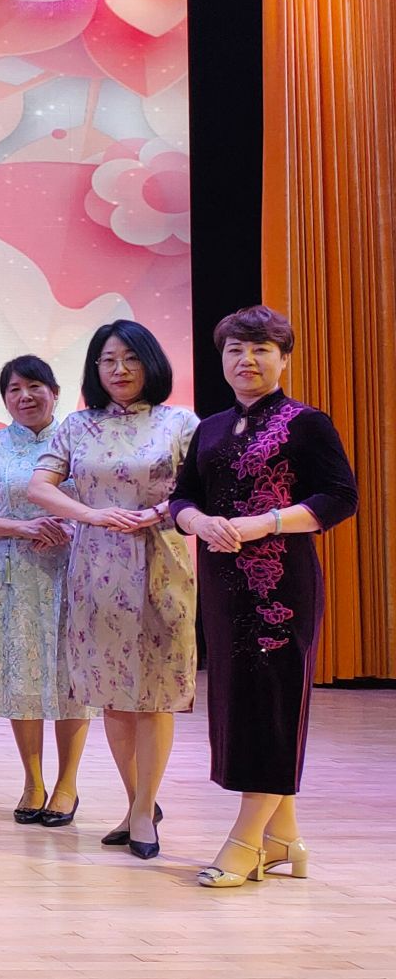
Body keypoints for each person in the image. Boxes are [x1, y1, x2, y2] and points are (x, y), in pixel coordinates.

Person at [168, 306, 357, 887]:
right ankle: (284, 838)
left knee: (273, 706)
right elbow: (182, 497)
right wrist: (198, 521)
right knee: (242, 705)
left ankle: (246, 840)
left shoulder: (308, 423)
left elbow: (339, 497)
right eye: (235, 350)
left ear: (284, 358)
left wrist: (263, 523)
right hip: (222, 587)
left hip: (281, 589)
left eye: (260, 349)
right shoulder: (211, 427)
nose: (246, 360)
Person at [27, 319, 199, 859]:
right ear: (95, 369)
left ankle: (144, 810)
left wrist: (155, 512)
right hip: (95, 570)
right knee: (114, 695)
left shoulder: (180, 422)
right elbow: (39, 485)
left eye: (130, 358)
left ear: (151, 362)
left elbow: (202, 491)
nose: (119, 369)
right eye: (108, 360)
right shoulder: (78, 426)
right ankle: (135, 803)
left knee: (156, 695)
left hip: (161, 561)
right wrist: (90, 515)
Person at [0, 355, 95, 827]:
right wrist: (22, 526)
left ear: (54, 392)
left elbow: (104, 502)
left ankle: (67, 784)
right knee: (24, 678)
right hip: (14, 575)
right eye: (14, 389)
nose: (25, 396)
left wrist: (70, 525)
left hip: (74, 572)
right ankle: (33, 781)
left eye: (35, 386)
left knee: (71, 678)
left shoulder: (79, 439)